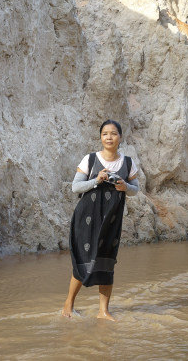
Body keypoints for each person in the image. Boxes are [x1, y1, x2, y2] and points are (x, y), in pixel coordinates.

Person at [62, 119, 139, 320]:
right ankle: (68, 306)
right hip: (86, 217)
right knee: (84, 260)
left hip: (111, 220)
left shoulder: (128, 163)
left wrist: (125, 187)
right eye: (105, 133)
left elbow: (135, 190)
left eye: (113, 133)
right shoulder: (89, 159)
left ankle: (103, 312)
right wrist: (96, 180)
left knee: (107, 261)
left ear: (120, 137)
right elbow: (75, 187)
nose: (109, 137)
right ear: (100, 137)